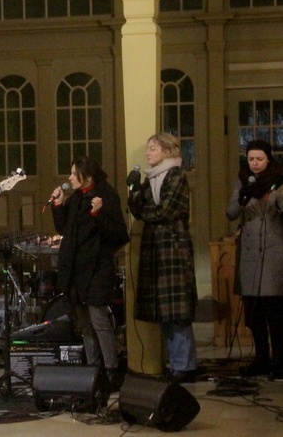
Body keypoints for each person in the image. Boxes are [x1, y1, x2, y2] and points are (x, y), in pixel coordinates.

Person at [50, 156, 130, 388]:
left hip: (96, 269)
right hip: (76, 270)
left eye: (74, 174)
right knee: (84, 323)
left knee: (99, 320)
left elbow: (118, 236)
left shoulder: (106, 196)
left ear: (88, 176)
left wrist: (98, 214)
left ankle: (111, 369)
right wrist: (58, 204)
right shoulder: (76, 198)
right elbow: (64, 228)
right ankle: (93, 367)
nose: (70, 178)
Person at [127, 132, 199, 383]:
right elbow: (136, 208)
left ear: (167, 151)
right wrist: (134, 188)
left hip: (172, 248)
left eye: (153, 149)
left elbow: (166, 210)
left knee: (176, 312)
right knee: (164, 311)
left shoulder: (176, 175)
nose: (147, 153)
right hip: (155, 248)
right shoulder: (151, 179)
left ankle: (185, 367)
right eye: (148, 149)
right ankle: (175, 363)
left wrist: (146, 211)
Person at [226, 139, 283, 380]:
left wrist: (276, 197)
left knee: (276, 314)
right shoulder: (243, 181)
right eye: (251, 159)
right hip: (250, 256)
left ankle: (280, 363)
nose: (255, 163)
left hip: (273, 252)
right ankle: (261, 359)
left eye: (259, 159)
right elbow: (230, 213)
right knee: (255, 313)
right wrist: (242, 197)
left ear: (268, 159)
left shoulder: (279, 180)